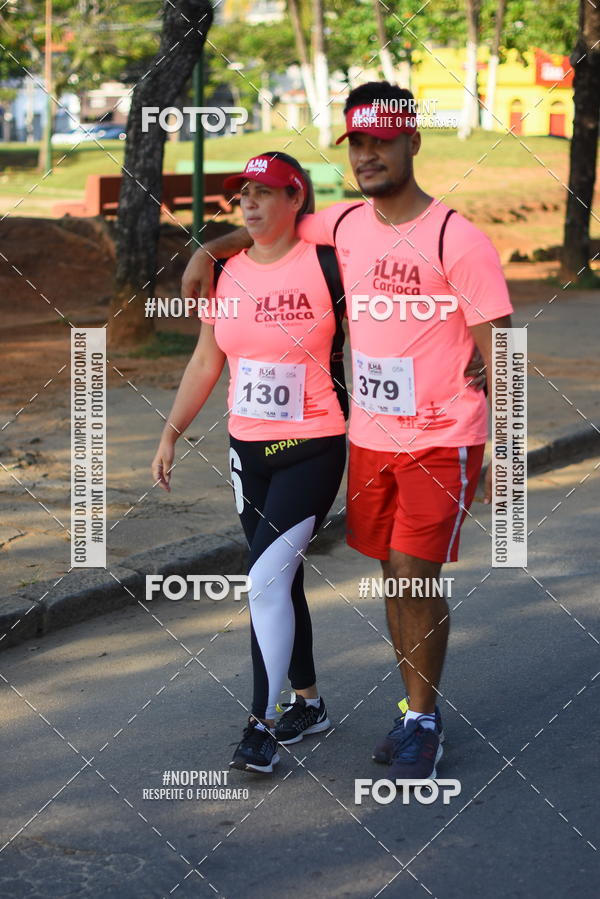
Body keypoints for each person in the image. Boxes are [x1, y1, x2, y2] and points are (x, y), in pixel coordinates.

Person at [182, 81, 512, 782]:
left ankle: (422, 720)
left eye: (381, 141)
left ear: (412, 142)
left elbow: (503, 351)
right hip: (369, 436)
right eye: (357, 143)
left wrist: (499, 453)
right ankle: (410, 706)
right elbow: (270, 225)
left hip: (443, 434)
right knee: (392, 572)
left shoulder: (459, 237)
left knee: (414, 575)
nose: (367, 155)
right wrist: (210, 247)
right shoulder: (342, 226)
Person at [152, 152, 348, 774]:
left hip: (314, 445)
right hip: (247, 452)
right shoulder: (228, 273)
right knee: (280, 579)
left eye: (267, 193)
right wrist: (171, 431)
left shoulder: (328, 262)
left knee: (263, 578)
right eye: (244, 196)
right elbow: (207, 361)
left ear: (297, 199)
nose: (253, 205)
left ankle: (260, 725)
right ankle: (308, 702)